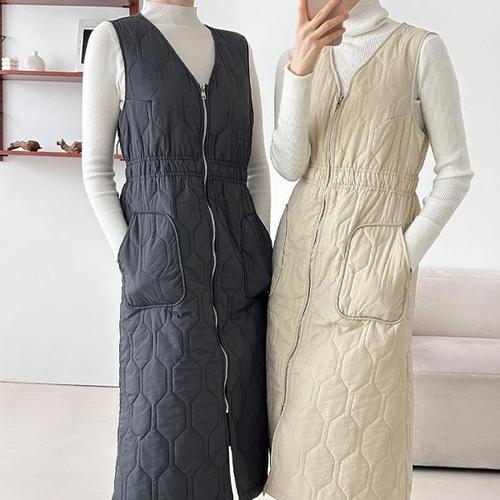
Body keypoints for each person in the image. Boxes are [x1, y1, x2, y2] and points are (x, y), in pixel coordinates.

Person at [265, 0, 473, 499]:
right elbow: (290, 166)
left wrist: (398, 259)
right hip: (297, 267)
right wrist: (300, 69)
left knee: (360, 436)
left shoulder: (419, 49)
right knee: (293, 437)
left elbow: (455, 174)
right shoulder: (292, 59)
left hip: (371, 272)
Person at [81, 1, 272, 499]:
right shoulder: (115, 40)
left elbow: (255, 169)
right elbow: (96, 170)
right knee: (162, 423)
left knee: (241, 413)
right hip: (161, 271)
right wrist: (135, 256)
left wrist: (253, 240)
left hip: (238, 270)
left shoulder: (236, 49)